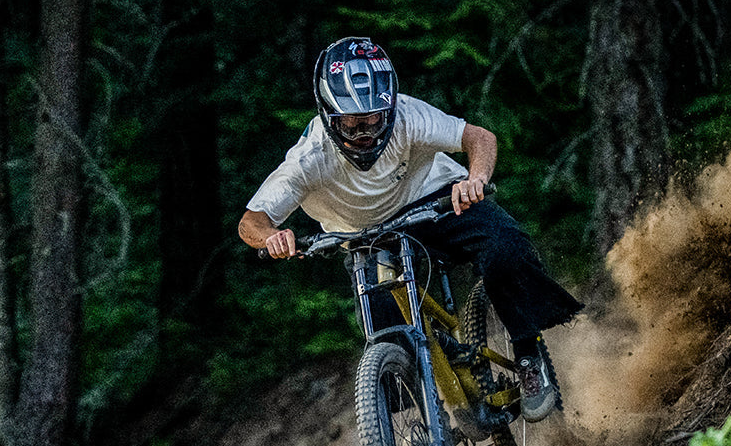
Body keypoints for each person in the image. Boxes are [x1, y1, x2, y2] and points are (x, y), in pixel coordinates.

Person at [238, 36, 583, 422]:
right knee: (387, 341)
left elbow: (478, 137)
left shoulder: (407, 116)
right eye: (352, 124)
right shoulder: (309, 158)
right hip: (364, 236)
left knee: (505, 248)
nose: (366, 133)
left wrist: (475, 180)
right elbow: (252, 221)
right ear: (328, 116)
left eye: (374, 120)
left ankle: (527, 352)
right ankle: (423, 423)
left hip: (433, 201)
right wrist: (272, 237)